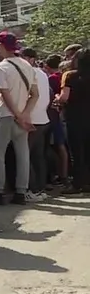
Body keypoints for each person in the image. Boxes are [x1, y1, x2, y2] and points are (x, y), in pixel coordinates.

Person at [0, 32, 38, 206]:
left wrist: (17, 114)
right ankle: (21, 191)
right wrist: (25, 114)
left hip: (5, 115)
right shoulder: (27, 65)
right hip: (23, 118)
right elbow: (35, 95)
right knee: (23, 154)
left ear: (2, 46)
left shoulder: (1, 67)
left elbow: (4, 94)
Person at [21, 48, 51, 201]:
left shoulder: (29, 73)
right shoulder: (42, 73)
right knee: (38, 156)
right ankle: (40, 188)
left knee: (27, 156)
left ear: (30, 59)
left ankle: (32, 189)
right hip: (43, 119)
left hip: (31, 119)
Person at [58, 49, 90, 194]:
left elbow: (64, 97)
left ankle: (78, 183)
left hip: (75, 117)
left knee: (77, 151)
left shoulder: (70, 76)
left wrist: (57, 98)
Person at [43, 55, 69, 184]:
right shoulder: (63, 77)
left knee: (54, 145)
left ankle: (58, 174)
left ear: (47, 66)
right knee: (62, 145)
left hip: (53, 114)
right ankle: (64, 173)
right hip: (63, 114)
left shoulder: (52, 79)